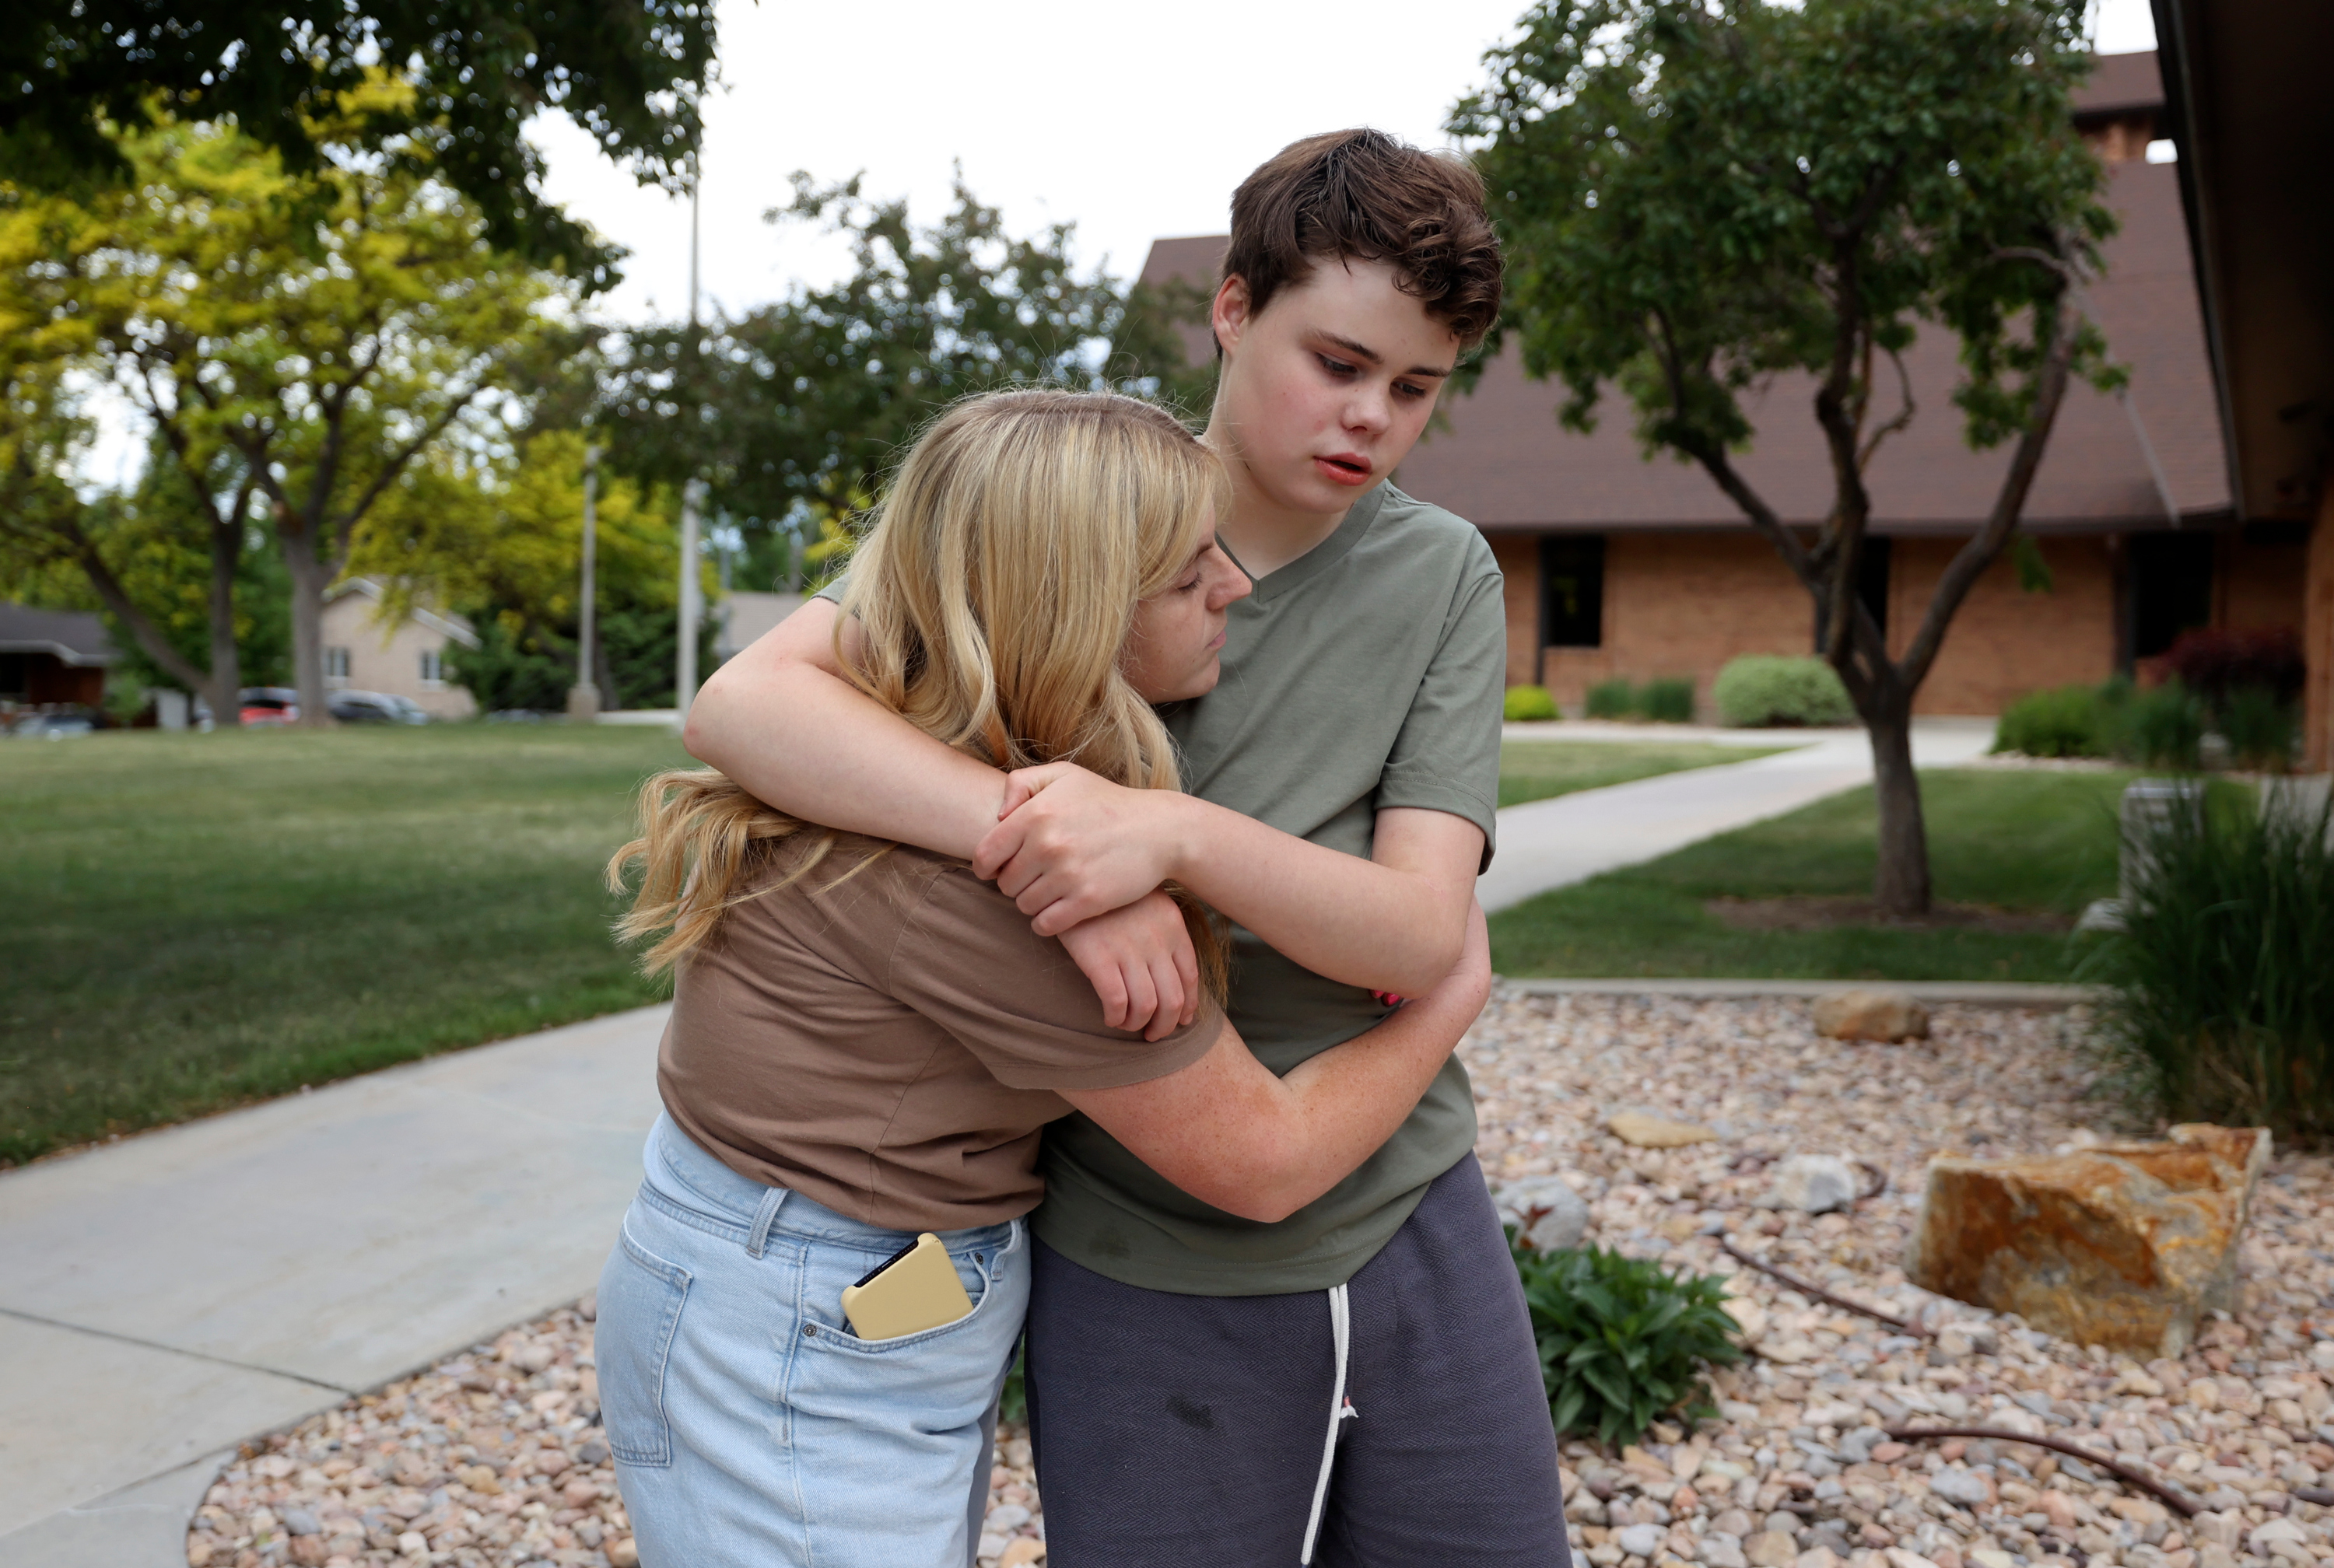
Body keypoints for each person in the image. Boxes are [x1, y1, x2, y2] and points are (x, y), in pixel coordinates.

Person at [683, 131, 1568, 1565]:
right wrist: (1037, 844)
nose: (1371, 420)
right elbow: (744, 701)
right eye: (1336, 364)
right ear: (1232, 307)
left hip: (1411, 1199)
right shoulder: (1077, 508)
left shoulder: (1442, 574)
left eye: (1415, 389)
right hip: (1138, 1228)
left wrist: (1167, 834)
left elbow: (1414, 935)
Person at [594, 388, 1494, 1568]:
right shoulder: (1019, 905)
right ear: (1076, 622)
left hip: (816, 1287)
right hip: (803, 1330)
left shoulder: (910, 754)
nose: (1234, 586)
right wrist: (1449, 992)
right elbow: (1266, 1162)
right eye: (1185, 576)